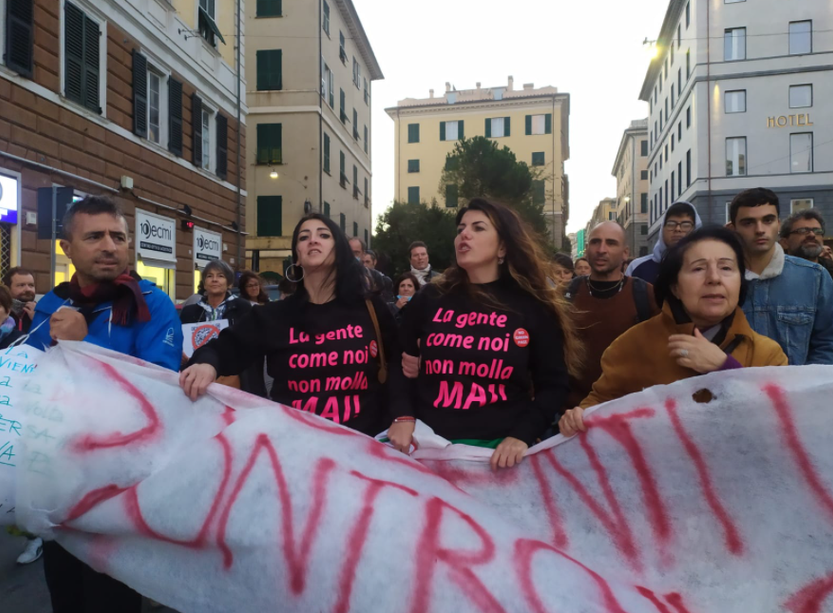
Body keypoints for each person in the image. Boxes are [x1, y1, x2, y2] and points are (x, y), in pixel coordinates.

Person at [25, 195, 182, 613]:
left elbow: (159, 394)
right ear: (67, 249)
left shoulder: (154, 304)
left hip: (122, 488)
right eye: (94, 236)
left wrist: (84, 343)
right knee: (66, 594)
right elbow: (33, 384)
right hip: (58, 483)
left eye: (118, 236)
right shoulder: (50, 305)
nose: (110, 246)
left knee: (110, 599)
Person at [389, 198, 581, 469]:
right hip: (427, 449)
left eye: (478, 228)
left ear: (503, 246)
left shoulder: (533, 306)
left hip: (497, 457)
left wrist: (521, 435)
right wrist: (403, 416)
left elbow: (554, 384)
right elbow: (397, 360)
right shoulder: (430, 297)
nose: (464, 234)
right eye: (460, 229)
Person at [180, 214, 401, 437]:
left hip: (362, 449)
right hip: (294, 449)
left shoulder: (371, 309)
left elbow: (398, 365)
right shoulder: (274, 315)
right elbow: (223, 348)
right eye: (304, 237)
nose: (313, 240)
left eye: (323, 235)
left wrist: (403, 415)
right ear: (297, 257)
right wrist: (206, 364)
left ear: (339, 252)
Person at [560, 226, 788, 436]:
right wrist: (579, 417)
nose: (714, 279)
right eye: (698, 268)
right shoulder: (633, 344)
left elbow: (781, 423)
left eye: (726, 268)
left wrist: (725, 369)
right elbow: (599, 403)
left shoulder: (768, 355)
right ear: (675, 287)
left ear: (740, 282)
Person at [728, 188, 833, 365]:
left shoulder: (815, 277)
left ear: (778, 223)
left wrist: (802, 386)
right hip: (735, 389)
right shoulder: (719, 280)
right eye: (748, 222)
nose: (760, 230)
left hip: (799, 389)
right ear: (733, 228)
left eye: (768, 220)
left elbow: (827, 344)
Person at [562, 222, 659, 412]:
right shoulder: (565, 294)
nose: (601, 249)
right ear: (587, 249)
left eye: (611, 243)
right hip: (568, 414)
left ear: (625, 252)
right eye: (595, 242)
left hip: (628, 413)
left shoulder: (646, 295)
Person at [180, 260, 266, 397]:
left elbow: (252, 342)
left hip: (233, 377)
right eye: (209, 276)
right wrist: (180, 352)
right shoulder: (190, 311)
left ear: (229, 283)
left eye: (220, 276)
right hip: (198, 376)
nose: (214, 280)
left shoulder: (242, 307)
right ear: (204, 282)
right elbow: (180, 340)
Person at [626, 201, 702, 284]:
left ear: (695, 229)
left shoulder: (706, 267)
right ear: (662, 229)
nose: (677, 229)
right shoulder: (637, 267)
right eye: (671, 224)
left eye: (686, 225)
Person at [779, 209, 833, 279]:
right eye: (802, 231)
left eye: (817, 231)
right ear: (784, 242)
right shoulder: (774, 276)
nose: (812, 235)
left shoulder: (830, 272)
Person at [349, 236, 393, 301]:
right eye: (350, 252)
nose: (353, 256)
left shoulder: (375, 276)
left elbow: (382, 303)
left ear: (363, 254)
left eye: (356, 253)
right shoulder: (335, 275)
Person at [2, 267, 36, 334]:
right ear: (7, 288)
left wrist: (38, 320)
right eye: (21, 285)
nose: (28, 289)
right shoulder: (2, 311)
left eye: (31, 285)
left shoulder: (43, 312)